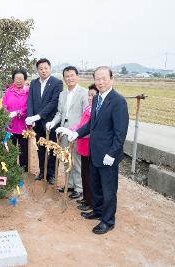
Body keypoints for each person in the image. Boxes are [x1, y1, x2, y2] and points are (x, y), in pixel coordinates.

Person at [68, 66, 129, 234]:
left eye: (104, 78)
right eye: (97, 79)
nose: (100, 82)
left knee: (108, 189)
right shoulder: (96, 99)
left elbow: (120, 132)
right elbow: (91, 125)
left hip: (108, 154)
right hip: (94, 151)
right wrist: (76, 133)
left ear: (112, 79)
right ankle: (98, 211)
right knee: (95, 185)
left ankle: (108, 221)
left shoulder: (118, 101)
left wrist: (112, 153)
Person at [46, 66, 88, 199]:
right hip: (64, 132)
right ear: (63, 78)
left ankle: (79, 187)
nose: (69, 78)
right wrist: (53, 122)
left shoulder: (84, 93)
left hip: (76, 132)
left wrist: (75, 130)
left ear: (77, 76)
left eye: (72, 75)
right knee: (65, 158)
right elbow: (59, 112)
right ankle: (69, 184)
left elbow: (85, 115)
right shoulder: (62, 94)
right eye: (67, 76)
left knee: (76, 161)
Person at [25, 58, 63, 184]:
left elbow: (54, 102)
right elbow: (30, 101)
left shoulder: (57, 83)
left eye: (46, 68)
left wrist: (39, 116)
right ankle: (42, 171)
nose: (43, 71)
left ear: (50, 68)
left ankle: (51, 174)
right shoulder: (34, 83)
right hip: (37, 123)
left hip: (51, 122)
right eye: (40, 69)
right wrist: (31, 118)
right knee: (40, 147)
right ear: (37, 70)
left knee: (52, 148)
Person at [65, 84, 99, 211]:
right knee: (85, 173)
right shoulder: (88, 109)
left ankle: (90, 201)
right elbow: (81, 125)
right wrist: (70, 130)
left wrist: (77, 133)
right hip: (82, 145)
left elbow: (90, 130)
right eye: (89, 95)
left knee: (89, 174)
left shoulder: (95, 111)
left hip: (89, 145)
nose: (90, 97)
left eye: (93, 95)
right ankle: (86, 198)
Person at [2, 69, 29, 171]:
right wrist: (5, 111)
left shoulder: (28, 92)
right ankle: (11, 167)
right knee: (11, 146)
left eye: (21, 78)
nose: (18, 80)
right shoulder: (8, 91)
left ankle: (23, 168)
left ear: (25, 79)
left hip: (23, 125)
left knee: (23, 148)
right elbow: (4, 103)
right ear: (13, 79)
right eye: (16, 78)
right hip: (10, 125)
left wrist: (18, 112)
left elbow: (28, 106)